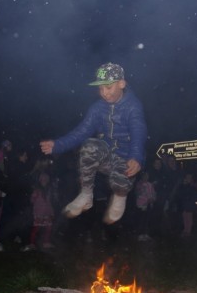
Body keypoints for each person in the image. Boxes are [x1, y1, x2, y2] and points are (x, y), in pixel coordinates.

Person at [40, 62, 147, 224]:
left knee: (120, 181)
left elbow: (138, 131)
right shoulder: (97, 108)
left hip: (126, 161)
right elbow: (81, 132)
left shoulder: (133, 106)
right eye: (100, 89)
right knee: (90, 145)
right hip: (107, 156)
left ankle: (120, 196)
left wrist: (136, 156)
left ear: (121, 84)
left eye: (108, 87)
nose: (104, 93)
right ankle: (86, 194)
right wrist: (58, 145)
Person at [22, 171, 55, 251]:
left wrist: (52, 212)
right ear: (40, 181)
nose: (44, 182)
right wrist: (33, 196)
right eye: (43, 180)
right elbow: (32, 201)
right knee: (36, 228)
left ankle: (46, 242)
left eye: (46, 180)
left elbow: (49, 202)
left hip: (47, 212)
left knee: (49, 227)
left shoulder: (49, 190)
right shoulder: (37, 190)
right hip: (39, 212)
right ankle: (32, 244)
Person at [135, 171, 156, 241]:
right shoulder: (139, 184)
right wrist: (147, 199)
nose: (146, 177)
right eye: (145, 175)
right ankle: (140, 234)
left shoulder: (150, 184)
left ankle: (146, 234)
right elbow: (140, 194)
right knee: (141, 219)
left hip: (149, 204)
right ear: (142, 176)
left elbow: (153, 193)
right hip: (142, 204)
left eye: (147, 176)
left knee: (147, 220)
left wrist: (153, 199)